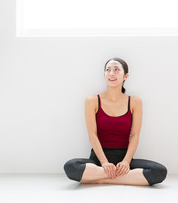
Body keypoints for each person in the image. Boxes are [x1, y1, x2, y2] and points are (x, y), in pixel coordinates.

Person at [63, 57, 167, 186]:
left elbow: (135, 135)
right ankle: (123, 179)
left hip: (123, 161)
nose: (111, 73)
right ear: (105, 74)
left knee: (159, 171)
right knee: (71, 167)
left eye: (116, 69)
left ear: (125, 76)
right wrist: (104, 163)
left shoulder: (135, 102)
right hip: (98, 161)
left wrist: (126, 162)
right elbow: (92, 135)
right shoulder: (92, 100)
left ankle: (96, 178)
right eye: (108, 70)